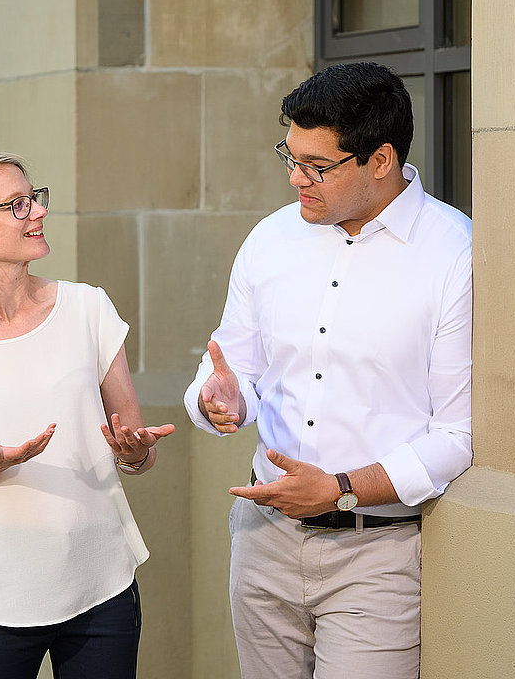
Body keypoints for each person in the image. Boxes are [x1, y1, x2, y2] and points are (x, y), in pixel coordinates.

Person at [183, 62, 472, 679]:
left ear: (382, 158)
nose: (295, 179)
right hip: (262, 541)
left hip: (378, 556)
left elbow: (458, 436)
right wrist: (218, 401)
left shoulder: (455, 254)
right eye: (289, 156)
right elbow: (236, 374)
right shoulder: (270, 239)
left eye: (317, 167)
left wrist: (340, 487)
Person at [0, 151, 175, 679]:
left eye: (34, 198)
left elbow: (137, 449)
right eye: (17, 205)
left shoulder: (89, 309)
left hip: (102, 589)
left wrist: (136, 452)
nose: (38, 213)